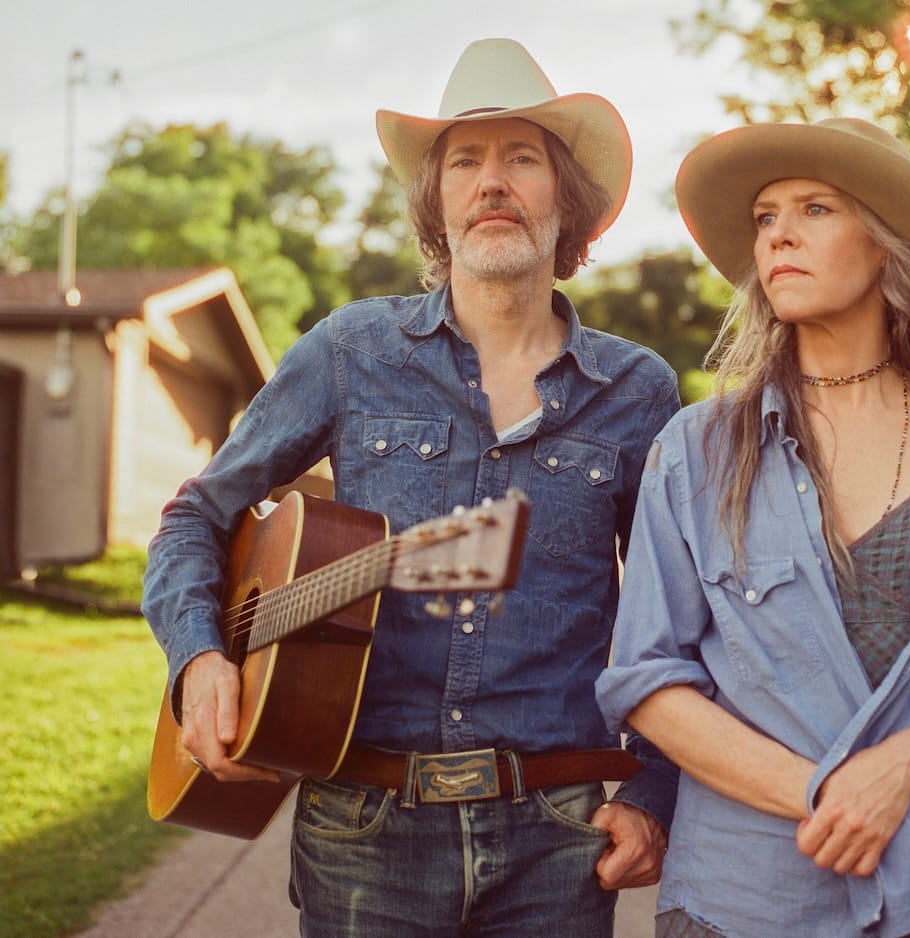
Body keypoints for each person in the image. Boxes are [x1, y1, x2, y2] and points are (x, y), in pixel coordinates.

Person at [143, 38, 680, 936]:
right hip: (361, 832)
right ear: (436, 200)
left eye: (521, 158)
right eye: (464, 161)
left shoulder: (637, 392)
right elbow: (199, 514)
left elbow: (675, 611)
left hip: (559, 836)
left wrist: (655, 789)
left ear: (567, 199)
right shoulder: (353, 351)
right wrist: (199, 659)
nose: (491, 182)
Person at [595, 118, 910, 937]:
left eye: (814, 210)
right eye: (766, 217)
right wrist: (827, 795)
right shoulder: (698, 448)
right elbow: (649, 681)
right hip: (736, 901)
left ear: (887, 244)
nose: (779, 235)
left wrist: (901, 769)